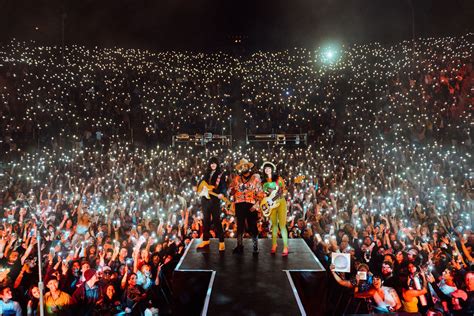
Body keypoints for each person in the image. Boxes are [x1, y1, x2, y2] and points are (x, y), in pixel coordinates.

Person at [229, 159, 262, 254]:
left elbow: (260, 194)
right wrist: (232, 191)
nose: (244, 168)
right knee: (240, 226)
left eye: (245, 166)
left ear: (248, 167)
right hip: (239, 204)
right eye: (242, 166)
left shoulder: (255, 179)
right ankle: (239, 245)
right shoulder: (236, 179)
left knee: (253, 226)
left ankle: (255, 246)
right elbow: (231, 190)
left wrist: (256, 206)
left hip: (251, 205)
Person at [196, 157, 226, 252]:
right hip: (205, 200)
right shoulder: (206, 174)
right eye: (211, 163)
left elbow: (223, 186)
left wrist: (222, 193)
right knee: (206, 221)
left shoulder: (220, 175)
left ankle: (221, 242)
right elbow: (201, 185)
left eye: (214, 163)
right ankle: (205, 240)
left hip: (215, 200)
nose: (213, 165)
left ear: (217, 165)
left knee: (217, 220)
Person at [261, 161, 289, 256]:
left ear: (272, 169)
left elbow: (282, 190)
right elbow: (264, 194)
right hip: (271, 205)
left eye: (269, 168)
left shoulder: (278, 179)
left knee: (282, 225)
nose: (267, 169)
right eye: (265, 168)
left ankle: (285, 246)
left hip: (281, 202)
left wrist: (274, 199)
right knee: (274, 225)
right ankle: (274, 244)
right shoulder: (264, 183)